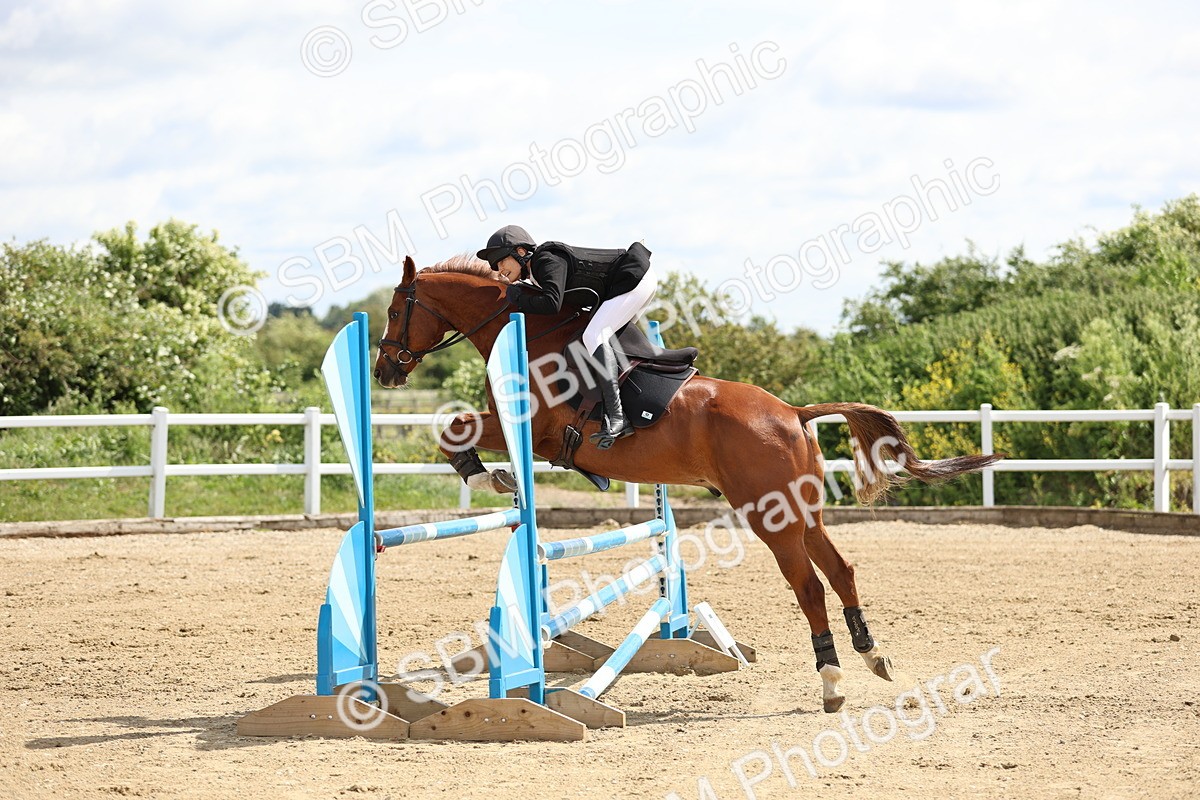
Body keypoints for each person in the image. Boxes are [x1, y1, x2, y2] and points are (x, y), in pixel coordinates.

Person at [477, 224, 657, 449]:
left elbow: (552, 303)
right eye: (495, 266)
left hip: (633, 278)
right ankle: (627, 407)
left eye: (501, 261)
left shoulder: (545, 260)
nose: (499, 270)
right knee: (604, 342)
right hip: (628, 283)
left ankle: (618, 418)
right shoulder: (535, 275)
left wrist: (519, 299)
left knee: (594, 336)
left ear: (520, 252)